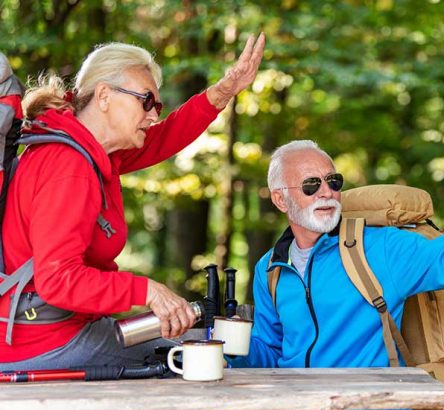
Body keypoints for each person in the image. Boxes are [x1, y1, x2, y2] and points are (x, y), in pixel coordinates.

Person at [229, 139, 444, 410]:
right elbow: (271, 354)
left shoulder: (379, 248)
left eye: (333, 182)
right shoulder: (270, 268)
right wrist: (223, 342)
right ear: (280, 199)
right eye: (310, 184)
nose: (326, 192)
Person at [0, 33, 265, 371]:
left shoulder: (87, 150)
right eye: (145, 101)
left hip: (60, 328)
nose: (153, 114)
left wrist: (222, 92)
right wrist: (147, 291)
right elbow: (59, 280)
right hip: (44, 340)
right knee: (197, 362)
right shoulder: (70, 168)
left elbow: (163, 138)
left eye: (157, 105)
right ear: (104, 95)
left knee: (189, 348)